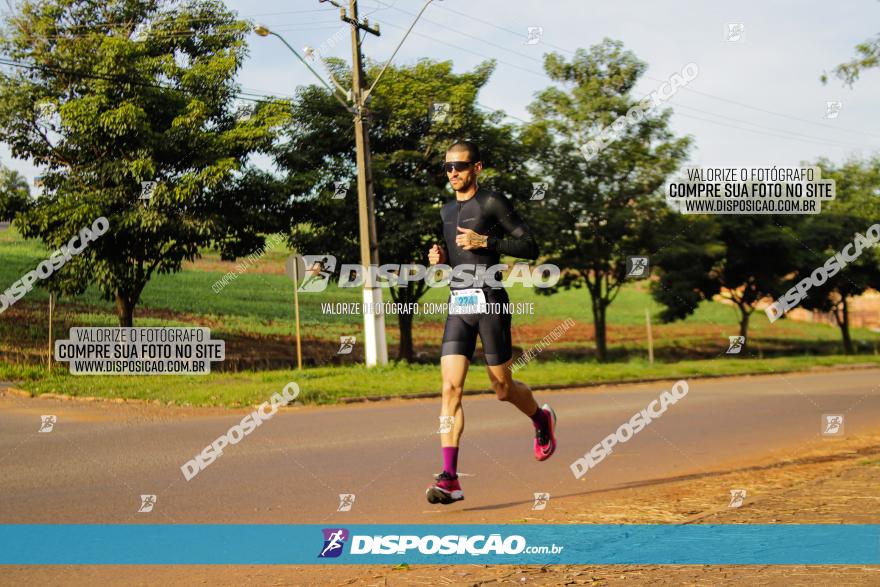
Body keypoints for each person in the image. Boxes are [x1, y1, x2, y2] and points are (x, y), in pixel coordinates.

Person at [425, 140, 557, 505]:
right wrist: (441, 259)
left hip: (491, 303)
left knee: (502, 388)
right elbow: (460, 260)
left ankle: (541, 419)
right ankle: (450, 478)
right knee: (450, 389)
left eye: (460, 166)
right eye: (448, 167)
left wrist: (487, 239)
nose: (453, 173)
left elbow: (530, 246)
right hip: (458, 303)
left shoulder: (492, 202)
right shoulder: (446, 211)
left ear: (476, 168)